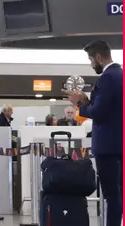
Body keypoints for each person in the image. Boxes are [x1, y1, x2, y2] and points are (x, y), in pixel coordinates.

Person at [66, 40, 122, 226]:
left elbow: (99, 113)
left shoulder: (107, 78)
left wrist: (79, 104)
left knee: (112, 196)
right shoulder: (120, 75)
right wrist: (87, 99)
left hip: (107, 146)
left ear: (98, 57)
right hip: (118, 143)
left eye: (91, 59)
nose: (91, 64)